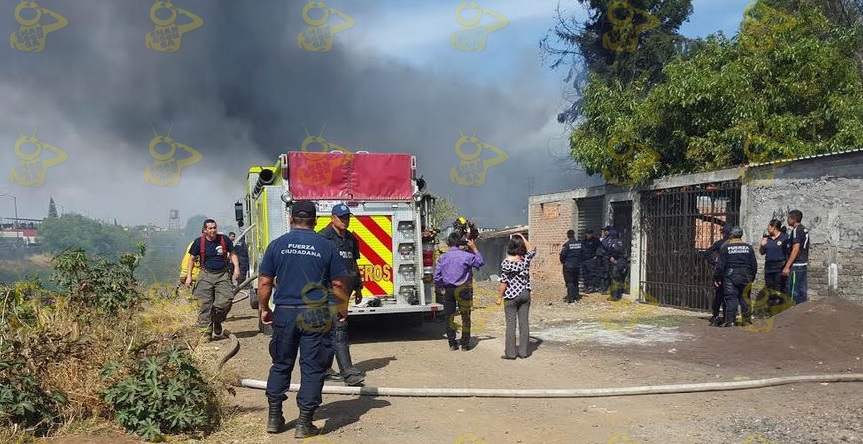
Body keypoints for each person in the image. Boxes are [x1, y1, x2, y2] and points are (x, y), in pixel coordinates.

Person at [257, 200, 350, 438]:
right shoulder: (326, 245)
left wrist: (264, 308)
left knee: (281, 364)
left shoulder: (277, 245)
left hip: (285, 312)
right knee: (313, 367)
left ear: (291, 219)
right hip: (316, 313)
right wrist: (341, 308)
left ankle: (275, 418)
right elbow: (339, 282)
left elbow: (265, 282)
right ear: (315, 220)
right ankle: (304, 423)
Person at [318, 203, 366, 387]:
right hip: (327, 290)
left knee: (331, 331)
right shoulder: (323, 238)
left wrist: (359, 287)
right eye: (341, 217)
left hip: (345, 290)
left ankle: (324, 369)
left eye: (347, 217)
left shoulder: (351, 239)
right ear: (332, 218)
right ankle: (348, 373)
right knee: (339, 330)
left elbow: (353, 264)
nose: (345, 220)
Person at [185, 219, 240, 341]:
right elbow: (192, 259)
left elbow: (233, 254)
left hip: (222, 275)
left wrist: (236, 268)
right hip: (205, 275)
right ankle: (206, 333)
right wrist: (188, 276)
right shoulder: (199, 242)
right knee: (204, 305)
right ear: (205, 230)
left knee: (225, 302)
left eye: (214, 227)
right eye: (210, 228)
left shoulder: (224, 240)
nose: (213, 230)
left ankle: (217, 320)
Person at [433, 231, 485, 351]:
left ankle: (452, 343)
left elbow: (437, 276)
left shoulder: (442, 257)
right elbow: (480, 262)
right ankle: (465, 344)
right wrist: (474, 248)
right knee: (465, 317)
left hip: (448, 290)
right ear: (460, 243)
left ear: (448, 243)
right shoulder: (467, 256)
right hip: (463, 289)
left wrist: (441, 287)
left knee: (449, 316)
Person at [498, 233, 536, 359]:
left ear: (510, 246)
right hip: (525, 293)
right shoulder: (525, 259)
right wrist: (522, 237)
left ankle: (511, 353)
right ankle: (524, 352)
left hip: (511, 296)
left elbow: (504, 282)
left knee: (511, 324)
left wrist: (499, 296)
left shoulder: (506, 263)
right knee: (524, 323)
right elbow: (532, 249)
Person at [713, 226, 758, 327]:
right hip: (747, 275)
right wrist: (752, 276)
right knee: (745, 298)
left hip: (730, 275)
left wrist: (717, 277)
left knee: (731, 298)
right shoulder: (748, 248)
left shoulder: (726, 247)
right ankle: (746, 321)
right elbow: (754, 264)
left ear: (732, 235)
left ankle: (730, 321)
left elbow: (720, 265)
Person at [757, 219, 791, 317]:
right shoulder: (767, 238)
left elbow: (788, 252)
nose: (767, 229)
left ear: (773, 227)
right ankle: (770, 312)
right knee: (769, 289)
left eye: (769, 227)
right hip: (769, 267)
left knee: (778, 289)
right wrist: (762, 245)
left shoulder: (784, 237)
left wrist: (787, 267)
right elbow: (762, 252)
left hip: (780, 266)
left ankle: (777, 312)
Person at [702, 225, 732, 326]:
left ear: (723, 233)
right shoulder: (735, 244)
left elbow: (706, 254)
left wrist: (714, 263)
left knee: (719, 295)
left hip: (720, 273)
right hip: (731, 274)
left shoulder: (719, 243)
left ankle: (715, 316)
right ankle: (726, 317)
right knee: (729, 296)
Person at [783, 209, 810, 305]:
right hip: (803, 263)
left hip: (797, 265)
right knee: (802, 290)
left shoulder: (796, 231)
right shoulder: (804, 229)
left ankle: (795, 314)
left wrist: (787, 266)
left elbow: (796, 249)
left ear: (793, 219)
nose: (787, 220)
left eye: (788, 218)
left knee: (794, 292)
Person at [602, 227, 627, 301]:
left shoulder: (615, 241)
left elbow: (616, 250)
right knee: (618, 278)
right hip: (620, 261)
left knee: (615, 279)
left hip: (616, 261)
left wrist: (613, 256)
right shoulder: (620, 241)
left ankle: (615, 296)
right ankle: (617, 294)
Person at [559, 229, 583, 304]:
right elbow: (583, 253)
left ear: (568, 235)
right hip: (577, 265)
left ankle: (570, 298)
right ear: (574, 235)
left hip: (568, 266)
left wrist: (563, 262)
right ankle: (576, 295)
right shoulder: (579, 244)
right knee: (575, 281)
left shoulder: (567, 244)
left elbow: (562, 255)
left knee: (570, 282)